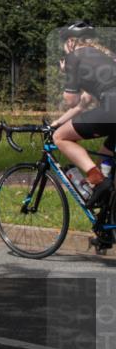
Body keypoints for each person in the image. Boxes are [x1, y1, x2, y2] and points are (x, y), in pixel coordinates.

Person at [50, 20, 116, 208]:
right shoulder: (105, 57)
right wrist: (57, 122)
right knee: (105, 155)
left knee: (60, 137)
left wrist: (67, 72)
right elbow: (83, 104)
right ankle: (108, 215)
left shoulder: (74, 57)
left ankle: (96, 180)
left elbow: (72, 100)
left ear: (71, 41)